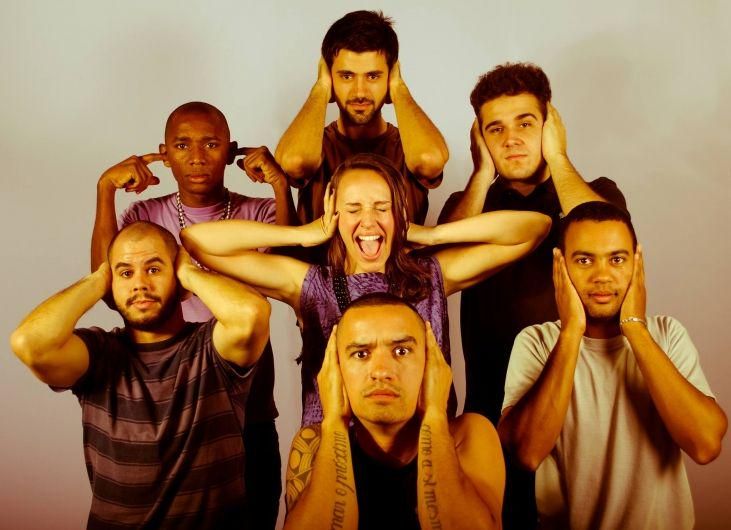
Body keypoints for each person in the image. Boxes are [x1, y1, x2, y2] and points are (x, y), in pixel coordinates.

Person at [181, 152, 552, 427]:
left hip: (424, 455)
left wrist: (431, 234)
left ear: (398, 212)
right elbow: (198, 241)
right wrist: (304, 234)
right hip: (334, 459)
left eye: (381, 207)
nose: (369, 221)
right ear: (334, 216)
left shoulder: (429, 277)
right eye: (353, 208)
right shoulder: (312, 285)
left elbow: (532, 229)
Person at [438, 62, 626, 527]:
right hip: (492, 412)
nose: (511, 140)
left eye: (525, 123)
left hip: (582, 403)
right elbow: (435, 270)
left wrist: (558, 159)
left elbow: (603, 234)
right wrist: (481, 174)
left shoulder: (595, 193)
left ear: (550, 125)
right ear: (480, 139)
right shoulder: (467, 205)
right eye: (495, 129)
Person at [89, 101, 292, 529]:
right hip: (171, 407)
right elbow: (108, 289)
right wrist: (105, 189)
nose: (197, 157)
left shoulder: (257, 212)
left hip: (249, 406)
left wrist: (281, 186)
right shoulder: (145, 215)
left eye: (211, 144)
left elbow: (291, 277)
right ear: (164, 155)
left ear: (231, 152)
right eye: (182, 145)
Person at [10, 222, 272, 529]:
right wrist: (98, 280)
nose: (139, 284)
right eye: (125, 273)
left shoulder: (212, 347)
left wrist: (189, 272)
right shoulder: (99, 354)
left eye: (154, 269)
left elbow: (252, 314)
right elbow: (30, 343)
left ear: (177, 277)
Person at [498, 202, 727, 530]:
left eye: (617, 259)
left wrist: (635, 328)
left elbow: (705, 446)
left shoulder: (667, 334)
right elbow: (527, 453)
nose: (602, 276)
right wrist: (571, 331)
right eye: (584, 260)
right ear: (560, 265)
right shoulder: (536, 342)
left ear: (637, 263)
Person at [283, 293, 504, 530]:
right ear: (335, 370)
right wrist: (335, 420)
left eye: (401, 351)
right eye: (361, 354)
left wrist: (434, 415)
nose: (382, 372)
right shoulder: (312, 443)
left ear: (431, 362)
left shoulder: (469, 434)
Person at [275, 9, 448, 229]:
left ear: (390, 77)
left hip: (399, 254)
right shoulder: (316, 144)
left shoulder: (408, 146)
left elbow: (430, 160)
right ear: (330, 77)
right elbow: (294, 162)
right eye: (346, 76)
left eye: (373, 76)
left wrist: (398, 89)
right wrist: (321, 89)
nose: (359, 92)